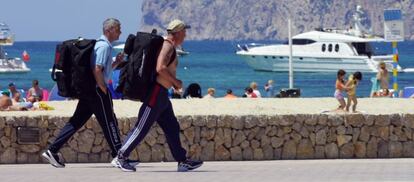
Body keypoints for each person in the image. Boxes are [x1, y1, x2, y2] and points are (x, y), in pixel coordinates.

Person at [42, 18, 137, 168]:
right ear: (109, 30)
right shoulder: (104, 46)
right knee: (109, 121)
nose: (120, 32)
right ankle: (119, 156)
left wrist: (116, 63)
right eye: (118, 29)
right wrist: (103, 87)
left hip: (90, 91)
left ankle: (52, 150)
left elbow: (102, 68)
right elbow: (97, 69)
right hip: (97, 91)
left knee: (76, 122)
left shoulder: (100, 45)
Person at [115, 19, 203, 172]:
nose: (186, 35)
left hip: (162, 95)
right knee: (142, 126)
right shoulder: (168, 46)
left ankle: (182, 161)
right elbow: (160, 68)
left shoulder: (169, 45)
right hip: (156, 92)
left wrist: (173, 84)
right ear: (177, 33)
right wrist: (176, 81)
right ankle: (121, 157)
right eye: (184, 32)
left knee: (172, 127)